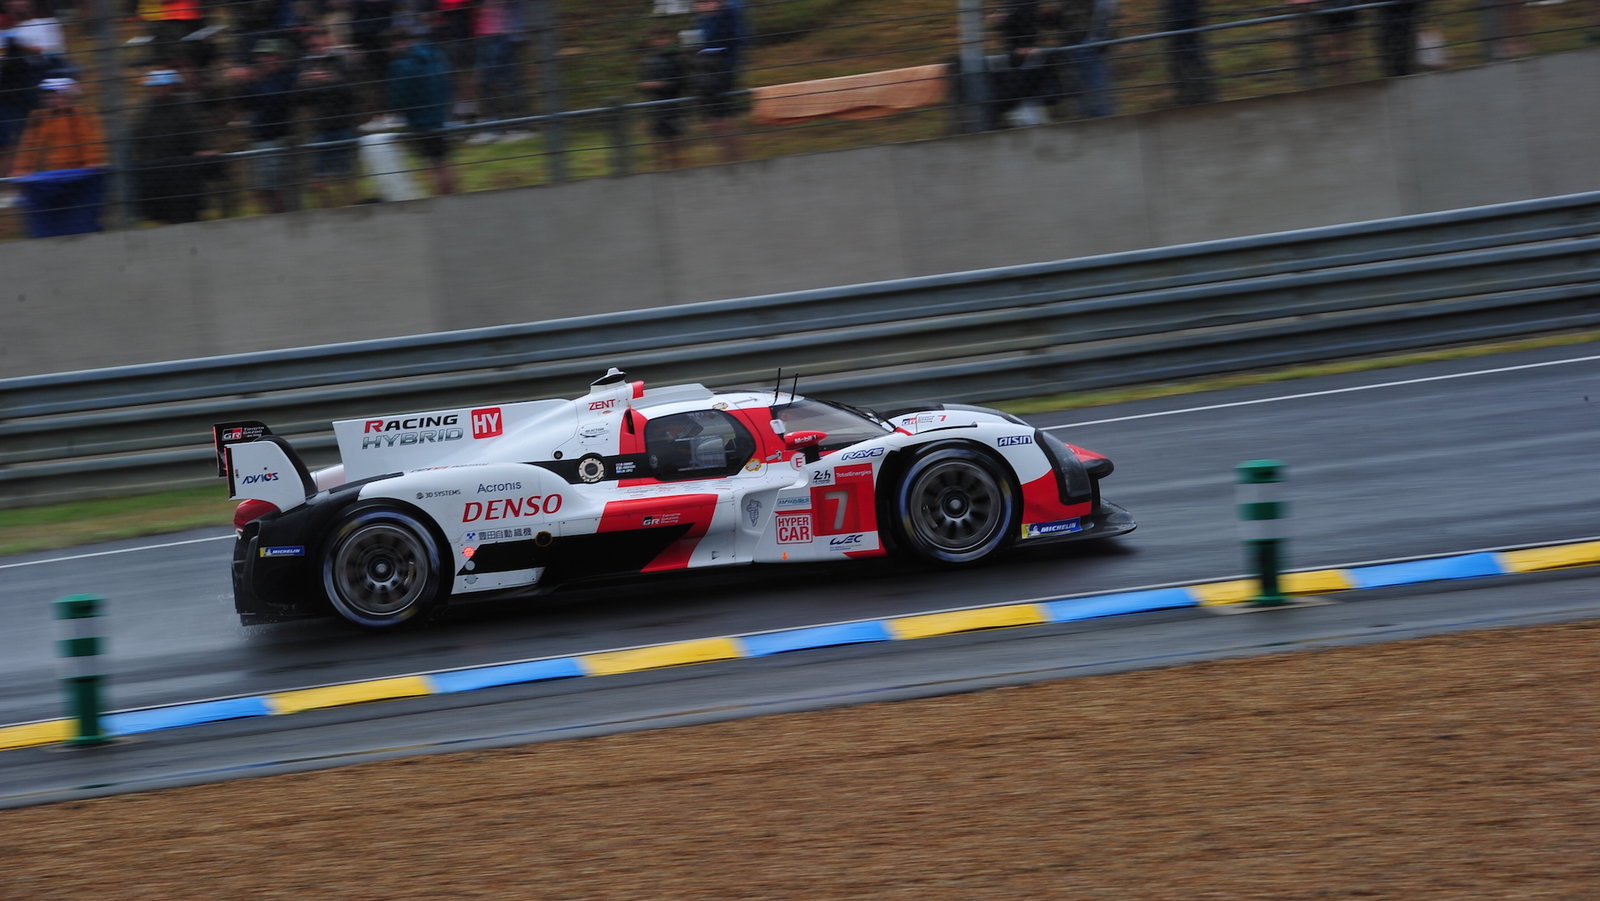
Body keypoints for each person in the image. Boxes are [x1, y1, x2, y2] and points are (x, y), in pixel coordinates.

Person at [6, 76, 107, 234]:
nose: (58, 99)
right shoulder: (39, 117)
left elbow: (90, 139)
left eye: (62, 95)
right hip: (53, 176)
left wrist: (93, 161)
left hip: (79, 176)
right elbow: (29, 145)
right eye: (54, 96)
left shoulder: (82, 115)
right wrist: (21, 169)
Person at [129, 68, 215, 223]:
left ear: (172, 86)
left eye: (164, 85)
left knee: (186, 211)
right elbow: (137, 136)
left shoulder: (185, 107)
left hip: (183, 169)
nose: (161, 89)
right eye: (157, 86)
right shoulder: (146, 110)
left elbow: (197, 131)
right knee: (162, 214)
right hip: (158, 171)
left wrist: (202, 148)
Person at [227, 37, 302, 214]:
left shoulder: (288, 77)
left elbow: (276, 98)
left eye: (268, 55)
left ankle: (283, 218)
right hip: (260, 140)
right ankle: (272, 218)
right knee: (261, 187)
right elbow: (246, 102)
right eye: (261, 56)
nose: (263, 59)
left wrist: (252, 82)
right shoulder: (263, 79)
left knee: (276, 186)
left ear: (281, 57)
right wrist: (243, 83)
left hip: (277, 139)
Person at [385, 24, 456, 195]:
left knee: (433, 164)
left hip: (420, 119)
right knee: (443, 161)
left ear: (397, 43)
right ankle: (452, 195)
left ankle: (442, 197)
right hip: (440, 114)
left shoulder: (401, 65)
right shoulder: (433, 55)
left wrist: (395, 108)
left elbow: (400, 96)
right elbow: (447, 83)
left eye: (389, 45)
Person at [298, 28, 362, 208]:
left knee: (345, 176)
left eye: (319, 43)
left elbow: (352, 92)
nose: (317, 48)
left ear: (327, 41)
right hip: (319, 127)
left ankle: (352, 208)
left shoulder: (343, 60)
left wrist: (330, 80)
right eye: (312, 45)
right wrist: (307, 83)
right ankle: (328, 212)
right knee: (317, 180)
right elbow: (300, 98)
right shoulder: (306, 66)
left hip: (342, 124)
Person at [690, 0, 747, 163]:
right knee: (715, 118)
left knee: (723, 117)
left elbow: (734, 39)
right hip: (707, 72)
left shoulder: (728, 12)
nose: (699, 6)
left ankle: (735, 157)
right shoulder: (704, 19)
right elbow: (705, 42)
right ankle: (728, 157)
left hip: (723, 70)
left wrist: (718, 10)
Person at [469, 0, 529, 145]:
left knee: (508, 82)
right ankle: (491, 128)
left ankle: (519, 127)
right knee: (484, 83)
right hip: (483, 35)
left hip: (504, 35)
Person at [638, 24, 688, 168]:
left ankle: (676, 167)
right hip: (654, 104)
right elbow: (642, 80)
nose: (658, 42)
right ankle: (661, 168)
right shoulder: (648, 59)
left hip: (673, 104)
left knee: (672, 141)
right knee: (657, 140)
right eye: (655, 39)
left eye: (662, 38)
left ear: (670, 39)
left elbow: (683, 81)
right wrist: (643, 85)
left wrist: (662, 85)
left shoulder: (677, 57)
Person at [1165, 0, 1214, 105]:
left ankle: (1194, 95)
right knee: (1188, 65)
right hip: (1185, 30)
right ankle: (1195, 94)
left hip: (1184, 30)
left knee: (1188, 64)